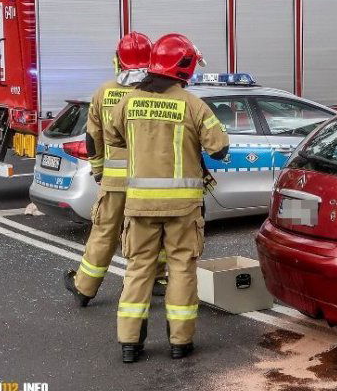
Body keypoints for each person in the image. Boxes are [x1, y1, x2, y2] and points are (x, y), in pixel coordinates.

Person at [106, 33, 229, 363]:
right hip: (183, 209)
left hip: (139, 205)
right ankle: (180, 342)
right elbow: (220, 146)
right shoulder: (193, 105)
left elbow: (112, 134)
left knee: (138, 269)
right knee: (181, 269)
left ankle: (130, 344)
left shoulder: (128, 101)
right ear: (184, 67)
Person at [64, 32, 167, 306]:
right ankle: (156, 279)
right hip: (151, 180)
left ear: (118, 61)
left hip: (114, 182)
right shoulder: (160, 92)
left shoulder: (104, 92)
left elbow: (92, 138)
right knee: (153, 231)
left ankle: (84, 288)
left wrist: (99, 172)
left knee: (104, 233)